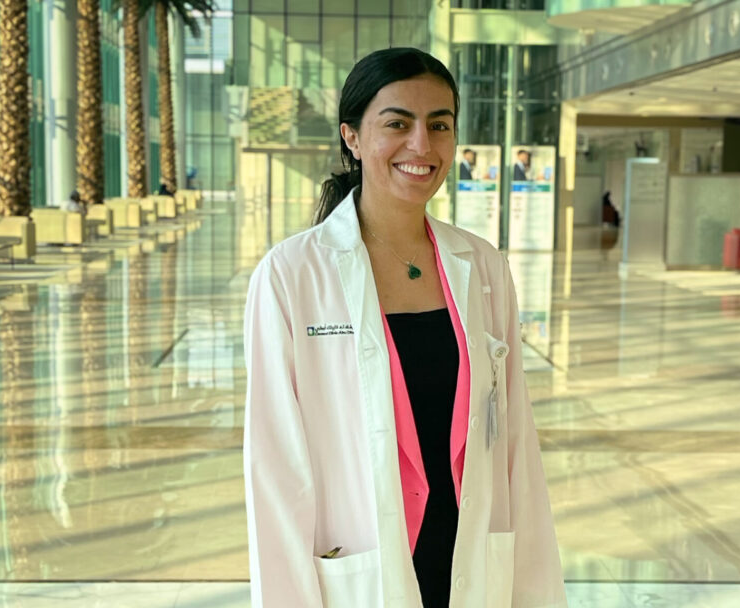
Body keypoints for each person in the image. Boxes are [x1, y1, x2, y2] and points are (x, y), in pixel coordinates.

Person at [243, 48, 567, 608]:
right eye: (397, 123)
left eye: (439, 125)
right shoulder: (292, 274)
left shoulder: (482, 266)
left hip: (470, 557)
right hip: (361, 565)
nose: (422, 145)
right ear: (351, 136)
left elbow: (516, 445)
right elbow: (276, 469)